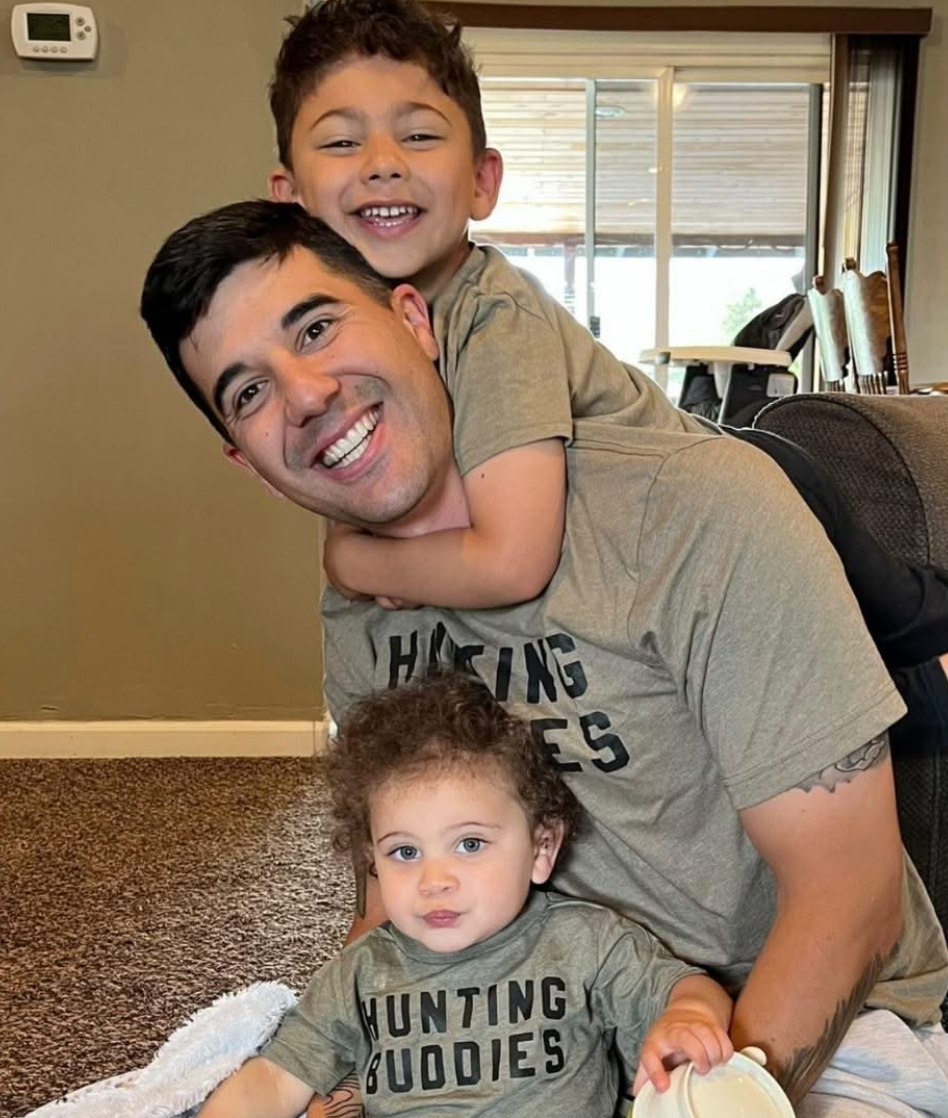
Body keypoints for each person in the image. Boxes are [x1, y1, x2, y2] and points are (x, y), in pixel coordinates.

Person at [139, 200, 948, 1116]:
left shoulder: (697, 509)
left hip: (800, 1031)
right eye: (248, 392)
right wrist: (350, 1079)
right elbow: (393, 908)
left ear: (414, 320)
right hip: (528, 1031)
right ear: (246, 461)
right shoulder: (359, 611)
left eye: (317, 328)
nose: (307, 394)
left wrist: (694, 1102)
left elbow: (853, 897)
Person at [265, 0, 948, 705]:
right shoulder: (338, 350)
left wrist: (354, 560)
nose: (382, 164)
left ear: (481, 181)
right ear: (289, 200)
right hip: (702, 506)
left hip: (759, 490)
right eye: (341, 142)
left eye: (417, 135)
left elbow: (511, 559)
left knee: (908, 629)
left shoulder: (494, 318)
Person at [198, 672, 735, 1116]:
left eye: (470, 844)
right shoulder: (360, 974)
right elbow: (274, 1081)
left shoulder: (586, 942)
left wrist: (688, 1016)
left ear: (542, 848)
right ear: (372, 860)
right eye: (405, 852)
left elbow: (688, 989)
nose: (434, 879)